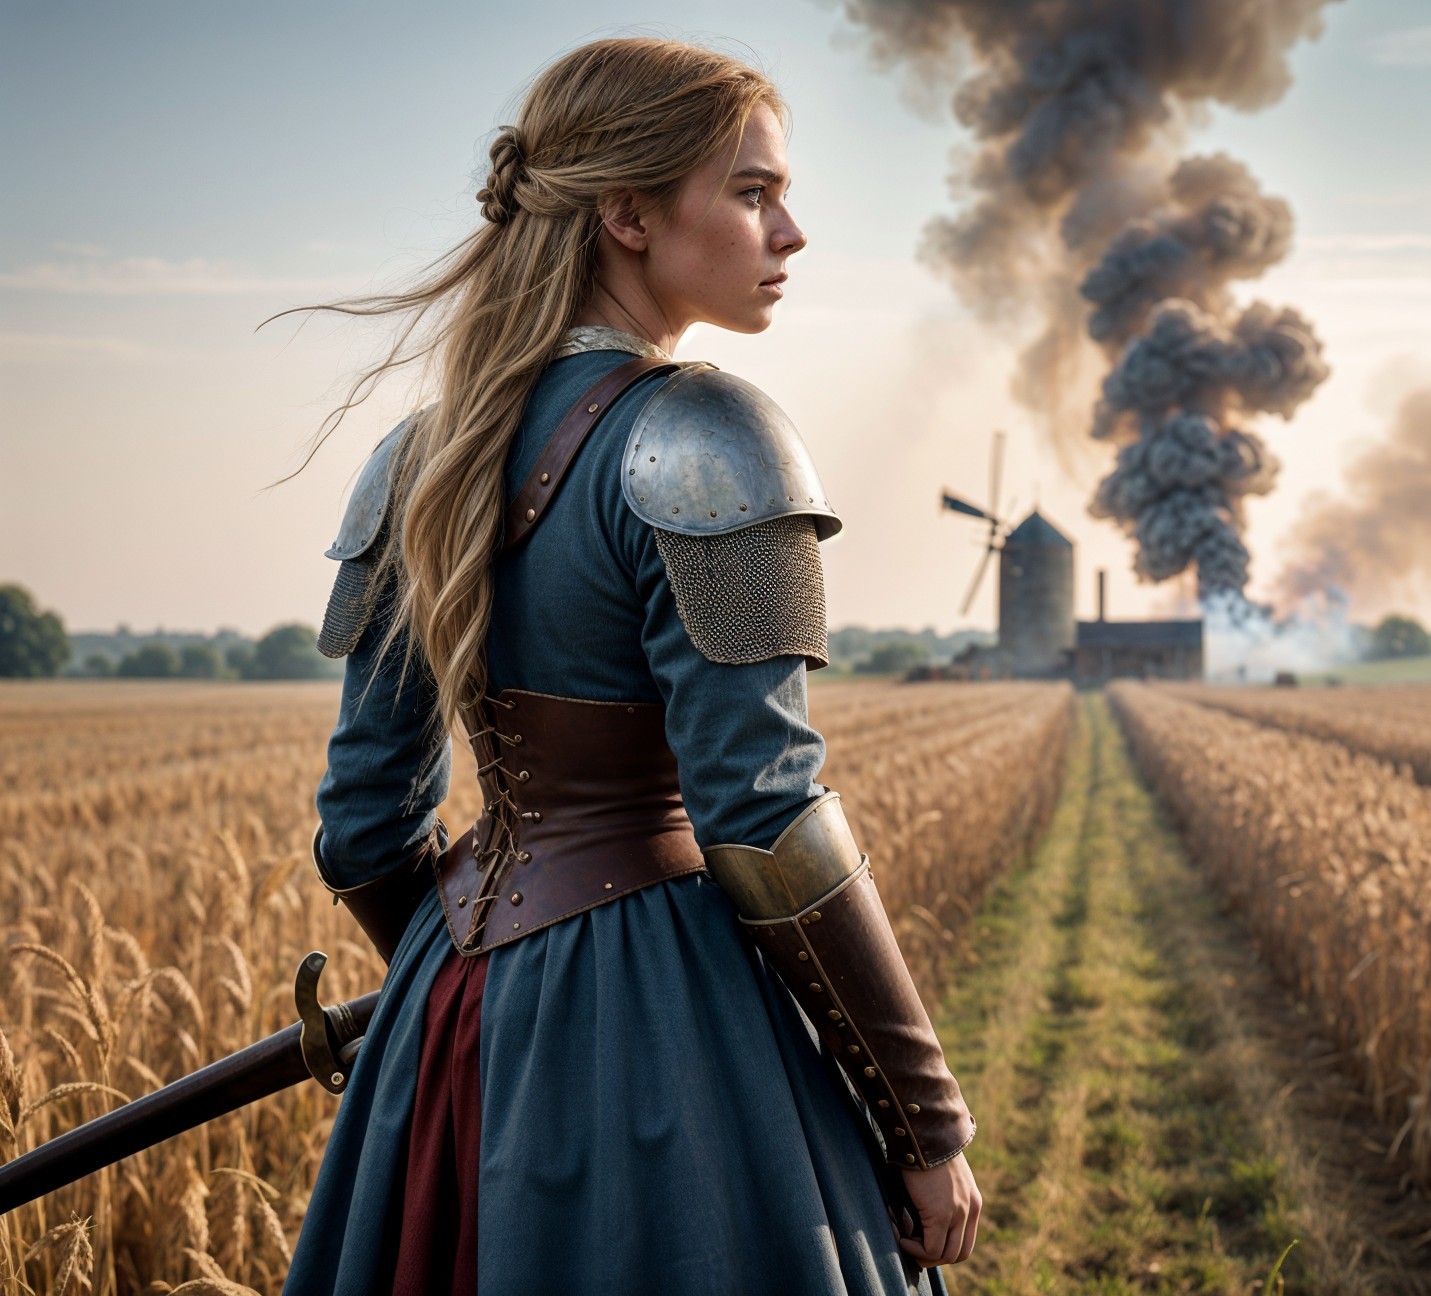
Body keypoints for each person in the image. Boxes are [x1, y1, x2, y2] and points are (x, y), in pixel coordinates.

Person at [274, 35, 982, 1296]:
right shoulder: (710, 436)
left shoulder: (416, 459)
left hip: (453, 1014)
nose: (793, 232)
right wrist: (927, 1124)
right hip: (673, 1015)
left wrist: (474, 970)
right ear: (631, 215)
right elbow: (764, 814)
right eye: (755, 192)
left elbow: (362, 829)